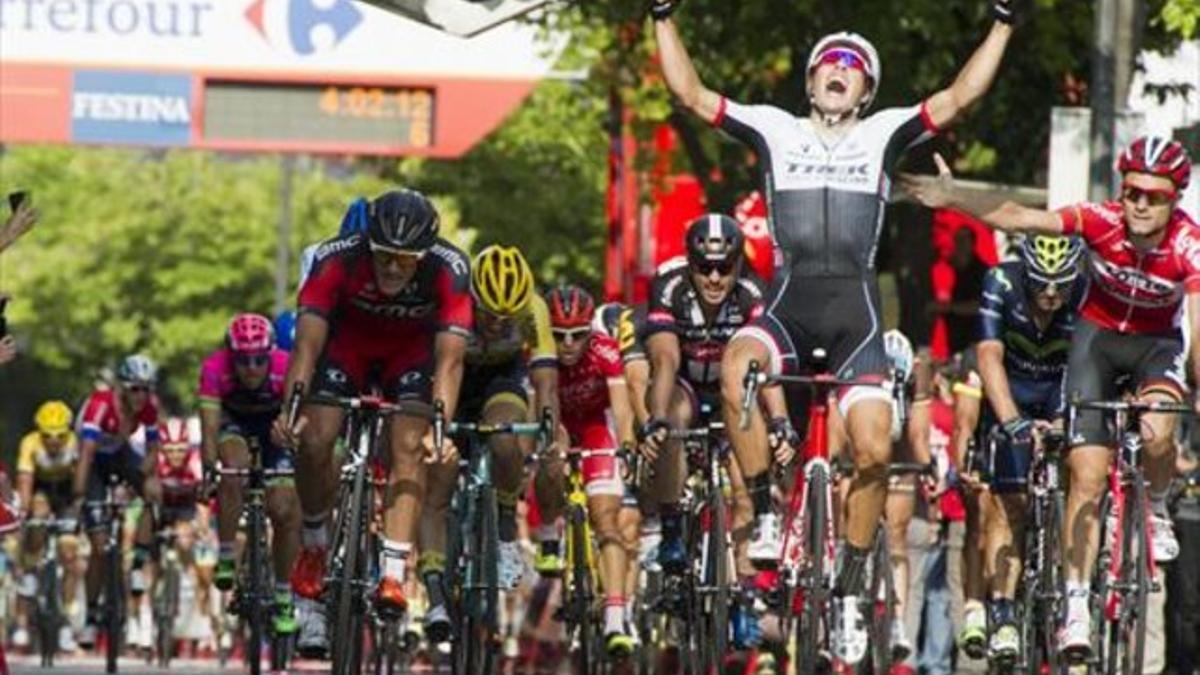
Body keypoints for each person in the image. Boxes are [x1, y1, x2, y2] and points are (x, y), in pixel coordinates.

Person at [651, 0, 1014, 663]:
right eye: (828, 65)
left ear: (867, 89)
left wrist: (1003, 22)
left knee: (875, 452)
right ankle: (765, 506)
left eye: (852, 67)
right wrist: (661, 15)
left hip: (857, 315)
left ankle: (848, 587)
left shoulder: (883, 132)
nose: (838, 72)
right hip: (789, 306)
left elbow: (962, 95)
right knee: (738, 362)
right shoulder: (773, 129)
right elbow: (689, 91)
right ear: (811, 82)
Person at [902, 135, 1198, 661]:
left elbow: (1196, 338)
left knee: (1157, 427)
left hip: (1156, 348)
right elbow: (1017, 216)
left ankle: (1152, 505)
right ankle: (1078, 604)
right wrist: (954, 197)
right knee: (1084, 474)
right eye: (1132, 192)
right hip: (1098, 343)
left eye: (1154, 196)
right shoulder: (1100, 220)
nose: (1140, 205)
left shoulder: (1188, 246)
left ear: (1175, 197)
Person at [273, 189, 471, 655]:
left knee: (410, 445)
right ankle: (317, 541)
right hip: (347, 348)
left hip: (412, 355)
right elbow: (306, 348)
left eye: (406, 260)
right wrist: (291, 410)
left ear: (424, 255)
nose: (393, 268)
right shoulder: (335, 258)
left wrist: (439, 431)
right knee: (315, 437)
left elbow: (450, 363)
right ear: (368, 244)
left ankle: (393, 571)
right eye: (384, 256)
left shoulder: (451, 269)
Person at [418, 244, 558, 640]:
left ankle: (504, 525)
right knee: (438, 481)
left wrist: (547, 433)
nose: (497, 323)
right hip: (451, 380)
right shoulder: (454, 303)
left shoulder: (533, 310)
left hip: (501, 379)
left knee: (504, 439)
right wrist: (438, 428)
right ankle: (434, 597)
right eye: (489, 314)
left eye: (506, 317)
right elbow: (447, 366)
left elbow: (546, 383)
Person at [970, 234, 1084, 661]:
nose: (1052, 295)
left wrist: (1066, 418)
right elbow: (987, 356)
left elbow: (1088, 361)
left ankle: (1070, 592)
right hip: (1011, 387)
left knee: (1081, 477)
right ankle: (1000, 611)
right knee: (1009, 503)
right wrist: (1011, 420)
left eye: (1061, 286)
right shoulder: (1000, 280)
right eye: (1042, 284)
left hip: (1059, 385)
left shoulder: (1086, 288)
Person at [537, 284, 638, 657]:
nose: (567, 344)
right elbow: (539, 409)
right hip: (558, 423)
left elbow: (622, 408)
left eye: (577, 335)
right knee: (548, 460)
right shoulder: (537, 352)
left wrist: (626, 445)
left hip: (596, 427)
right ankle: (549, 535)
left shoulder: (605, 350)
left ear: (589, 332)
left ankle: (615, 618)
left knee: (607, 520)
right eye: (558, 335)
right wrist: (552, 444)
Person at [198, 313, 299, 638]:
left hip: (274, 429)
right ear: (231, 356)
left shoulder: (287, 366)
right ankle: (227, 555)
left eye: (259, 359)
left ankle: (284, 597)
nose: (251, 368)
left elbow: (297, 419)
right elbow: (210, 428)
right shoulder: (215, 369)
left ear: (270, 353)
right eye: (243, 360)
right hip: (234, 425)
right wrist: (209, 468)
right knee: (232, 471)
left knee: (284, 510)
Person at [72, 353, 162, 646]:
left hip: (121, 455)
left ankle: (138, 559)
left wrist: (144, 479)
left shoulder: (149, 407)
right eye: (135, 388)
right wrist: (78, 499)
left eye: (146, 388)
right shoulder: (101, 406)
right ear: (122, 387)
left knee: (154, 490)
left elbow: (151, 452)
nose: (141, 395)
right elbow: (85, 456)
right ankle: (90, 614)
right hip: (94, 461)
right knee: (99, 549)